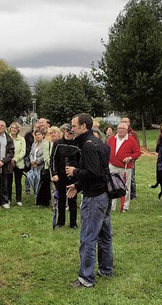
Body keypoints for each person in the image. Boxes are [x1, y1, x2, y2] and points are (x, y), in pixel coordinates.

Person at [66, 113, 113, 288]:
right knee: (104, 235)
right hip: (102, 194)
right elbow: (98, 171)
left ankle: (86, 278)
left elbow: (94, 172)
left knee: (88, 237)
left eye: (74, 126)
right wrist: (78, 186)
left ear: (84, 126)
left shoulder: (88, 145)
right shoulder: (95, 141)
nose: (72, 129)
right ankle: (106, 269)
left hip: (95, 198)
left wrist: (75, 172)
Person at [51, 124, 79, 229]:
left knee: (72, 200)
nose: (68, 134)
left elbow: (80, 160)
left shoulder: (77, 144)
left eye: (70, 132)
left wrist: (77, 172)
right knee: (61, 199)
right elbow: (53, 158)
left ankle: (73, 223)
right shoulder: (58, 143)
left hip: (73, 175)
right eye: (66, 131)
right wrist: (54, 173)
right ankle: (60, 222)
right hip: (61, 175)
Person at [108, 122, 141, 212]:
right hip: (112, 166)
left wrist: (130, 157)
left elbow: (137, 152)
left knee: (125, 187)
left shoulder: (131, 140)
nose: (120, 130)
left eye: (122, 128)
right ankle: (112, 206)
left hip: (125, 167)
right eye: (119, 128)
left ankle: (125, 207)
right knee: (112, 186)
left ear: (127, 130)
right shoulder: (112, 139)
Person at [120, 117, 140, 200]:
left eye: (126, 121)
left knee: (131, 177)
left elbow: (137, 148)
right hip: (120, 160)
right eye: (123, 121)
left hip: (130, 159)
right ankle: (121, 193)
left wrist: (132, 157)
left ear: (129, 123)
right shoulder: (118, 134)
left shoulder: (133, 134)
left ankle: (133, 195)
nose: (124, 122)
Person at [8, 122, 27, 206]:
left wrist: (15, 159)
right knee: (8, 182)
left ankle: (18, 199)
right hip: (8, 163)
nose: (13, 129)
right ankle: (8, 198)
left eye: (15, 128)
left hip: (19, 163)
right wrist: (9, 159)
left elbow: (23, 151)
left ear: (18, 130)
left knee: (18, 182)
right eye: (12, 128)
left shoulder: (22, 139)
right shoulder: (7, 137)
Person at [27, 129, 48, 201]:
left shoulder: (46, 144)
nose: (37, 136)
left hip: (41, 166)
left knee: (40, 182)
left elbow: (45, 155)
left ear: (43, 135)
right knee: (33, 180)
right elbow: (31, 154)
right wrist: (32, 161)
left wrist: (37, 162)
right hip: (33, 166)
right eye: (36, 135)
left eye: (39, 134)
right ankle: (36, 195)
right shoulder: (34, 144)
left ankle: (40, 198)